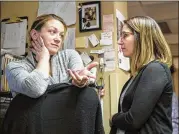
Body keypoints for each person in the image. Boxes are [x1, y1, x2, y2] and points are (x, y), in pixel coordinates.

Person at [5, 14, 98, 98]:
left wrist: (81, 81)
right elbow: (35, 89)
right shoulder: (14, 67)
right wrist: (44, 58)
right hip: (35, 116)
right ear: (34, 34)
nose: (58, 39)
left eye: (61, 35)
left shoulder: (69, 55)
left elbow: (79, 74)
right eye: (52, 32)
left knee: (90, 94)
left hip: (66, 114)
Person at [110, 16, 173, 134]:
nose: (119, 41)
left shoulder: (155, 69)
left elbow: (133, 120)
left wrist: (113, 118)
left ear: (142, 37)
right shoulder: (138, 74)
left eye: (125, 35)